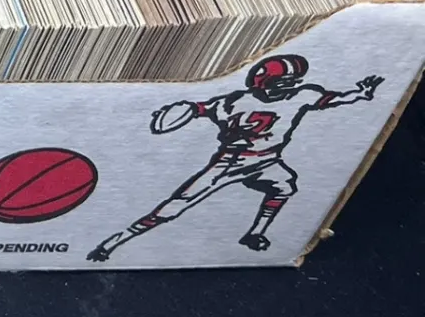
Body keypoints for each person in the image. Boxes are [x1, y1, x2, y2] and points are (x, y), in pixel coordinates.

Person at [88, 56, 383, 262]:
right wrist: (182, 110)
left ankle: (254, 234)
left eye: (292, 80)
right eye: (282, 81)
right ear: (263, 81)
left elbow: (331, 99)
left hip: (267, 159)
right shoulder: (234, 101)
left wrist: (360, 94)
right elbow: (198, 108)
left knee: (285, 186)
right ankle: (113, 243)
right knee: (175, 206)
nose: (287, 86)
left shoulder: (301, 94)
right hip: (231, 161)